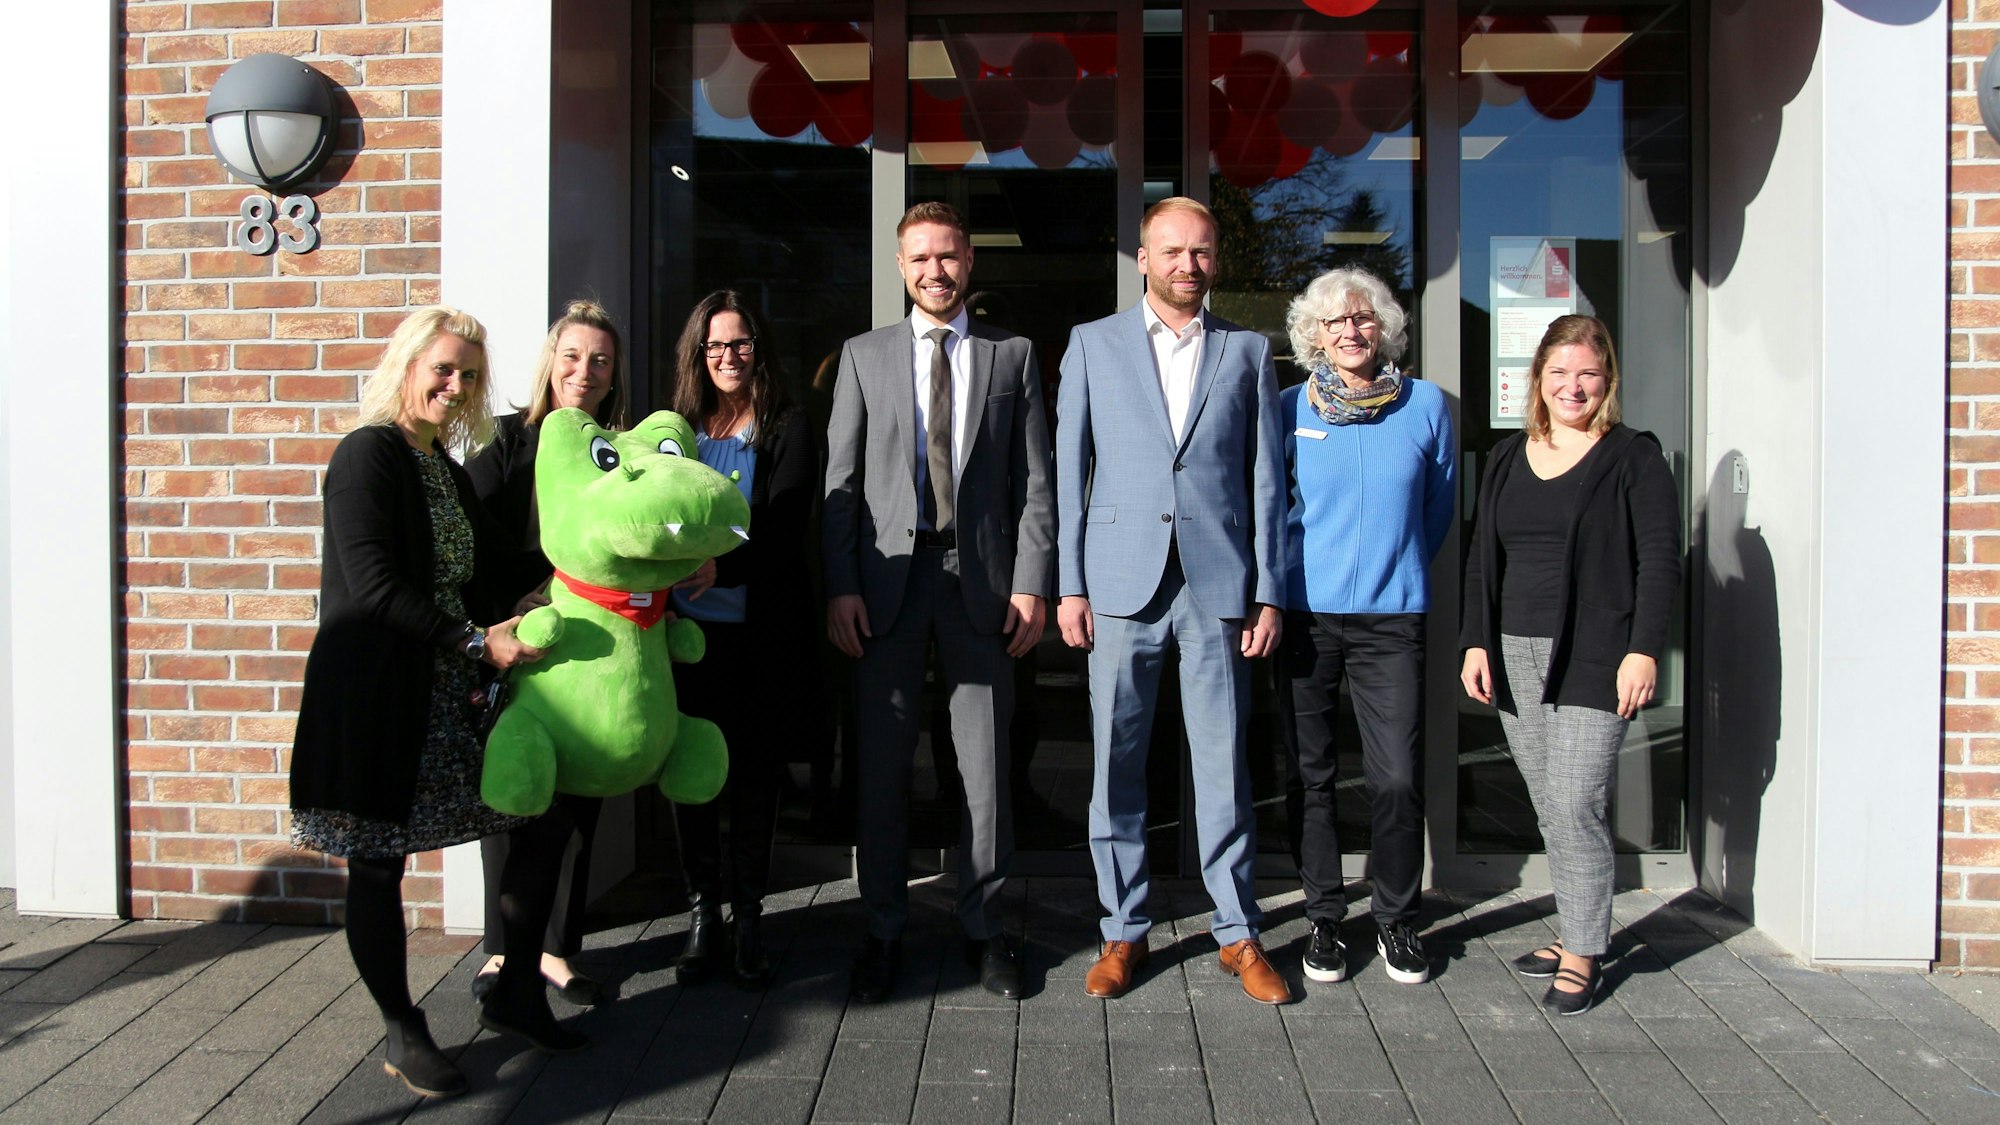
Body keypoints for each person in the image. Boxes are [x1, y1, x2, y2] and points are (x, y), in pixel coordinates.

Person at [289, 307, 581, 1100]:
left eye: (471, 376)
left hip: (450, 687)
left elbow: (488, 573)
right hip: (381, 694)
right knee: (379, 864)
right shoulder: (368, 455)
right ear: (409, 362)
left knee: (543, 816)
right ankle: (401, 1025)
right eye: (445, 369)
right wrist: (474, 640)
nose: (457, 387)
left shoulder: (444, 468)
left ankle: (516, 987)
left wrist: (588, 561)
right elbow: (375, 587)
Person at [1054, 197, 1290, 1005]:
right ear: (1144, 259)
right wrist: (1070, 583)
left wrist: (1268, 590)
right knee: (1116, 766)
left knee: (1223, 762)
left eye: (1202, 251)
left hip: (1219, 585)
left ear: (1216, 259)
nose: (1189, 263)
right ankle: (1123, 927)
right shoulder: (1091, 343)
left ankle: (1237, 932)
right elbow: (1066, 474)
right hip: (1119, 585)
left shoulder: (1249, 351)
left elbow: (1266, 479)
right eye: (1173, 250)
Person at [823, 200, 1055, 1003]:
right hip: (886, 584)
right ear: (901, 266)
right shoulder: (862, 356)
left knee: (985, 767)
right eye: (921, 258)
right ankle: (884, 928)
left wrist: (1032, 582)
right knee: (882, 771)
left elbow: (1036, 484)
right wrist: (842, 585)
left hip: (982, 584)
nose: (936, 270)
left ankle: (985, 928)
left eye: (949, 256)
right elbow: (840, 487)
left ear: (969, 262)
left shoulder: (1012, 355)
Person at [1459, 314, 1680, 1016]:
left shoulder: (1633, 456)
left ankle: (1585, 948)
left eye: (1586, 372)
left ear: (1607, 379)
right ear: (1538, 381)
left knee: (1577, 800)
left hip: (1596, 651)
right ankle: (1580, 926)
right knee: (1551, 803)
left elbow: (1660, 562)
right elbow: (1479, 559)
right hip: (1514, 648)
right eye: (1559, 372)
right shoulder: (1507, 456)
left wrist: (1644, 648)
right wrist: (1474, 641)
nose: (1572, 385)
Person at [1276, 267, 1455, 988]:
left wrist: (1396, 565)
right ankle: (1323, 914)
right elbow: (1272, 506)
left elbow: (1436, 511)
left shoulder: (1428, 407)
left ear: (1384, 328)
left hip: (1392, 617)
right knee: (1310, 774)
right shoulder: (1289, 407)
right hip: (1303, 616)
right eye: (1335, 322)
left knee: (1396, 778)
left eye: (1364, 319)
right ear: (1313, 335)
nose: (1351, 331)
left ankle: (1395, 918)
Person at [463, 299, 630, 1007]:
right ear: (549, 363)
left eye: (598, 360)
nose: (584, 371)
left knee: (577, 803)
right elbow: (464, 544)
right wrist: (500, 625)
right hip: (516, 647)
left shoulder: (617, 452)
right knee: (510, 797)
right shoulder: (504, 443)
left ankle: (558, 948)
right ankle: (503, 952)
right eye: (572, 357)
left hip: (589, 652)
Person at [666, 290, 824, 990]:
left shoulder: (789, 423)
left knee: (756, 779)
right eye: (716, 346)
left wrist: (718, 566)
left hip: (759, 636)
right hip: (686, 638)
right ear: (698, 355)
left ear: (760, 348)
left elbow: (787, 529)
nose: (729, 356)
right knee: (694, 782)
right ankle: (704, 915)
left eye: (741, 343)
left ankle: (751, 917)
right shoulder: (675, 428)